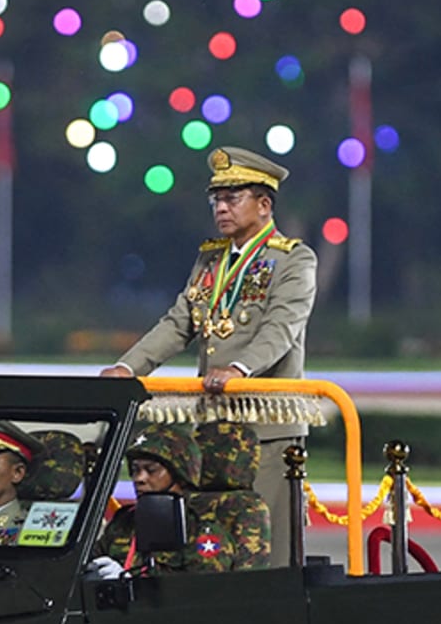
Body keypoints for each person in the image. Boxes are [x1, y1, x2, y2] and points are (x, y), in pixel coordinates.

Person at [100, 146, 317, 562]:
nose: (221, 207)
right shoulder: (211, 259)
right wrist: (128, 366)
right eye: (216, 199)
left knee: (269, 551)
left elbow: (281, 329)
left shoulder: (293, 259)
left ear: (264, 204)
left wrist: (239, 368)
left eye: (232, 198)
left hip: (266, 430)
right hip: (214, 425)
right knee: (213, 543)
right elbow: (178, 322)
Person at [90, 425, 239, 575]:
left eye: (151, 470)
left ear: (178, 474)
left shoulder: (200, 531)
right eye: (135, 470)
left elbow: (206, 594)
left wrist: (131, 586)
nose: (138, 478)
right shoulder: (123, 522)